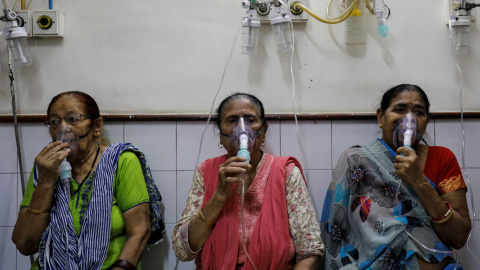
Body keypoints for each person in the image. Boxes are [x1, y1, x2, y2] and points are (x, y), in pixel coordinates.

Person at [320, 84, 471, 269]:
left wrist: (419, 182)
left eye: (418, 112)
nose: (409, 119)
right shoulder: (355, 161)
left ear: (426, 121)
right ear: (380, 117)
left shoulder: (442, 158)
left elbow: (459, 237)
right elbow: (336, 233)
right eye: (399, 110)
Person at [12, 91, 165, 270]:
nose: (62, 128)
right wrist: (46, 180)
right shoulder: (44, 167)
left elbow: (140, 232)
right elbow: (24, 245)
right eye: (54, 121)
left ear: (97, 126)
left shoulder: (121, 161)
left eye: (72, 119)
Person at [172, 93, 324, 269]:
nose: (242, 128)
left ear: (263, 131)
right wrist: (219, 196)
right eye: (232, 120)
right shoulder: (207, 172)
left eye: (250, 119)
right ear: (220, 135)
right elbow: (182, 250)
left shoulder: (286, 173)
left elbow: (310, 249)